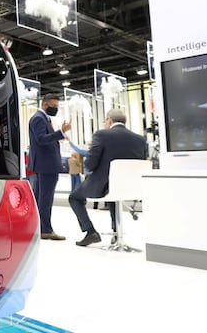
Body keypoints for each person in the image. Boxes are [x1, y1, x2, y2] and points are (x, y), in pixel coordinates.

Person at [68, 109, 148, 247]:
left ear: (109, 120)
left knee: (74, 197)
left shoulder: (102, 134)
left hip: (103, 185)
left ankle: (90, 231)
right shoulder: (140, 139)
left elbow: (91, 163)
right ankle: (117, 233)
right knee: (114, 195)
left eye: (105, 121)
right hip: (130, 186)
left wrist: (88, 167)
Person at [28, 93, 71, 240]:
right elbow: (41, 139)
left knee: (42, 198)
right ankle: (45, 229)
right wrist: (61, 133)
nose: (56, 109)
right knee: (46, 198)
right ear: (45, 104)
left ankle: (41, 228)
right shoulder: (39, 119)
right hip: (47, 164)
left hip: (45, 164)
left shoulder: (42, 118)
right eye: (54, 106)